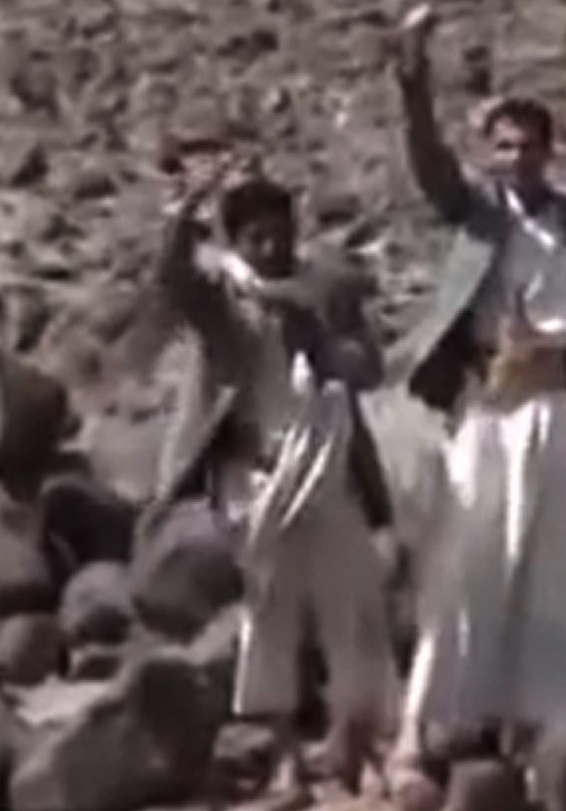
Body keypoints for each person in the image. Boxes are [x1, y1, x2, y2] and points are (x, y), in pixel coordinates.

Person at [383, 6, 566, 793]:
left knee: (559, 567)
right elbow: (428, 165)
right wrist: (412, 78)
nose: (515, 157)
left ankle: (547, 724)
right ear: (488, 156)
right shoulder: (479, 220)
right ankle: (420, 724)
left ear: (548, 153)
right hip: (490, 410)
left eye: (527, 145)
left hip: (559, 408)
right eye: (501, 146)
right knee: (467, 561)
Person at [149, 169, 395, 807]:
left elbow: (368, 369)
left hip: (329, 464)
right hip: (258, 475)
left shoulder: (325, 289)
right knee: (271, 616)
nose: (270, 250)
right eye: (256, 239)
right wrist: (180, 221)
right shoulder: (227, 297)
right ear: (237, 241)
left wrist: (321, 335)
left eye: (280, 235)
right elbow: (174, 282)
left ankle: (356, 745)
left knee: (352, 611)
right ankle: (285, 759)